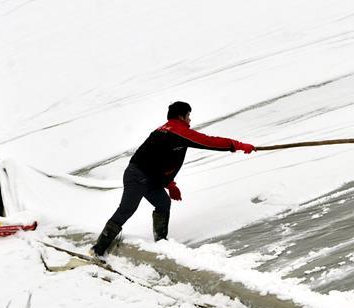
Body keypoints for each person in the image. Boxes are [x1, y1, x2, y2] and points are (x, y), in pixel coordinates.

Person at [90, 101, 255, 256]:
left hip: (149, 177)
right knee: (126, 209)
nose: (190, 119)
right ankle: (98, 250)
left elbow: (158, 160)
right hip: (137, 176)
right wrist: (238, 145)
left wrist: (169, 183)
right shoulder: (177, 131)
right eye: (188, 115)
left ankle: (161, 244)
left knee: (163, 203)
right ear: (181, 116)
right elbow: (208, 141)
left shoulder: (164, 130)